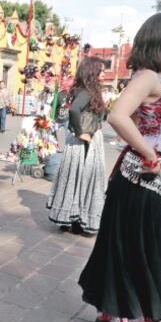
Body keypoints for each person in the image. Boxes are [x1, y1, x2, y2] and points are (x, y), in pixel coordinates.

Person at [78, 12, 161, 322]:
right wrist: (150, 155)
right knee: (131, 247)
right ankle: (111, 319)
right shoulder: (147, 77)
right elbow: (117, 116)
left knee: (141, 247)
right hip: (142, 178)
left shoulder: (158, 78)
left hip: (155, 180)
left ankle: (122, 313)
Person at [46, 57, 108, 236]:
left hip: (83, 141)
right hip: (85, 142)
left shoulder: (86, 90)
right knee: (83, 178)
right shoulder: (87, 92)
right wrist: (81, 132)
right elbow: (74, 110)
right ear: (92, 73)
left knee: (77, 178)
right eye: (101, 71)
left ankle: (73, 219)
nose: (104, 74)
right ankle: (77, 220)